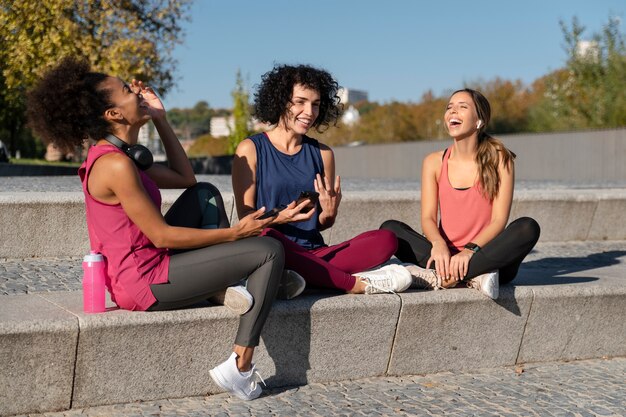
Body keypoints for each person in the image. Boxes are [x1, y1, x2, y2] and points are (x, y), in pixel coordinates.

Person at [26, 57, 285, 400]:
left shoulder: (124, 155)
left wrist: (160, 119)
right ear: (113, 114)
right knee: (268, 251)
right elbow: (161, 236)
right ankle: (239, 366)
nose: (135, 88)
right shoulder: (116, 165)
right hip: (144, 283)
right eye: (125, 89)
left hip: (155, 262)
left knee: (204, 194)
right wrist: (236, 234)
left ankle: (224, 284)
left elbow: (186, 179)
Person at [232, 64, 411, 295]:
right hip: (270, 249)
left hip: (315, 253)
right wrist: (280, 217)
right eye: (300, 102)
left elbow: (320, 224)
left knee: (386, 239)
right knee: (266, 237)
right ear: (280, 100)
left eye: (315, 104)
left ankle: (297, 278)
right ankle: (353, 284)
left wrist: (328, 214)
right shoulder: (251, 149)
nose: (309, 112)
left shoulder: (323, 154)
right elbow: (245, 222)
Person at [381, 88, 540, 299]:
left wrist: (469, 251)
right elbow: (428, 218)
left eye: (462, 107)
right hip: (445, 256)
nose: (452, 111)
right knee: (389, 230)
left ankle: (440, 277)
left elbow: (499, 220)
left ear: (479, 120)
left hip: (487, 254)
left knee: (528, 227)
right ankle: (475, 277)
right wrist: (438, 245)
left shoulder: (500, 158)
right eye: (449, 107)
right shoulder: (433, 162)